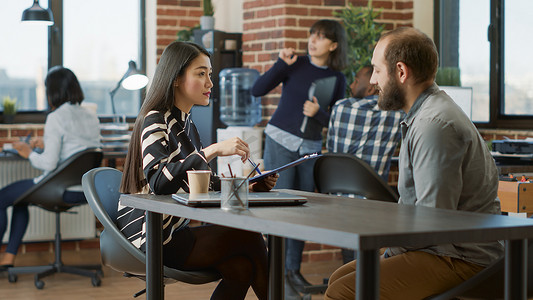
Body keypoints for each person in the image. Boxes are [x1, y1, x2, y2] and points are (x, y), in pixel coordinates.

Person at [324, 27, 504, 300]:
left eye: (376, 70)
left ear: (401, 72)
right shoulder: (424, 114)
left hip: (460, 258)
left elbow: (433, 220)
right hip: (440, 249)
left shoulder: (434, 125)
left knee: (344, 290)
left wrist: (391, 251)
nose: (372, 81)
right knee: (341, 277)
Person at [118, 41, 278, 300]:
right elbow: (159, 181)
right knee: (248, 234)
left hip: (174, 233)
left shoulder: (187, 125)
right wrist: (212, 150)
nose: (210, 83)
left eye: (210, 75)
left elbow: (200, 182)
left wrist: (249, 186)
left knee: (241, 268)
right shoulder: (154, 119)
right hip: (151, 238)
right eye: (201, 73)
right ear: (176, 78)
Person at [251, 19, 348, 293]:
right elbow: (257, 90)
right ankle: (276, 271)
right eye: (312, 35)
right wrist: (281, 63)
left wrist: (319, 114)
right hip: (280, 140)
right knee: (280, 206)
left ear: (334, 44)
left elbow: (336, 120)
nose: (313, 40)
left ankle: (293, 271)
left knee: (302, 209)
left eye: (320, 37)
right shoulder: (295, 63)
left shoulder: (338, 78)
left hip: (310, 148)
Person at [0, 66, 101, 271]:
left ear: (52, 91)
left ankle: (6, 256)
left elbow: (49, 164)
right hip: (84, 190)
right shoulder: (91, 116)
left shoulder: (55, 117)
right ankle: (8, 258)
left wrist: (28, 152)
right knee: (20, 201)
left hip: (57, 188)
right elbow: (79, 150)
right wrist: (46, 144)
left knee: (1, 198)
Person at [326, 65, 404, 263]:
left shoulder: (341, 107)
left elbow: (332, 149)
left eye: (356, 80)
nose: (352, 84)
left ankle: (349, 271)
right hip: (373, 202)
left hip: (339, 199)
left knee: (349, 248)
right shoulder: (395, 113)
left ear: (371, 88)